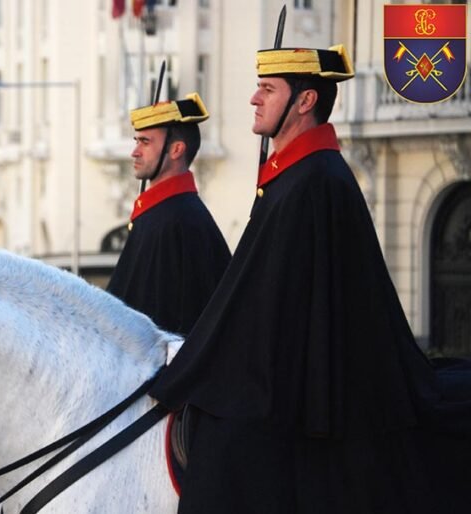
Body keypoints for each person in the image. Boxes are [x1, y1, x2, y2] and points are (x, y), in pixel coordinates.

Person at [149, 45, 470, 513]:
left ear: (304, 102)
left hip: (316, 389)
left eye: (267, 89)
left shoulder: (316, 180)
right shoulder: (292, 175)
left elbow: (280, 312)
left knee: (225, 446)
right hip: (281, 371)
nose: (254, 99)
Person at [107, 93, 231, 336]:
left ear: (176, 149)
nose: (134, 151)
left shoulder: (178, 219)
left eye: (145, 142)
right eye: (136, 141)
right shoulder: (158, 214)